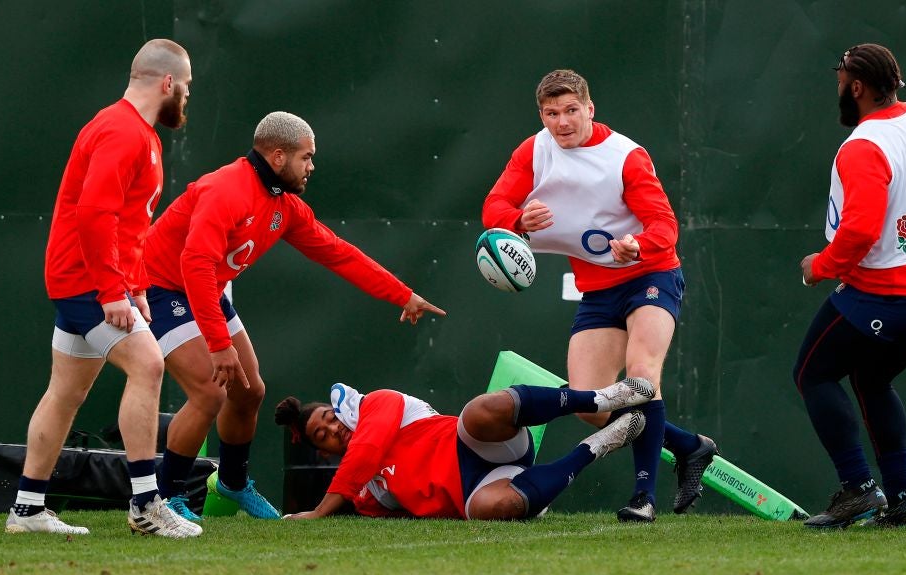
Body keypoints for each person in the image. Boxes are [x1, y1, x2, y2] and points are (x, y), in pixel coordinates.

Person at [145, 111, 446, 522]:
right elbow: (194, 263)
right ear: (278, 155)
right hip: (160, 287)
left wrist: (403, 295)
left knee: (249, 391)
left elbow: (338, 253)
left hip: (206, 287)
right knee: (210, 392)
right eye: (306, 157)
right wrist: (218, 345)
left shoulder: (282, 205)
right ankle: (164, 498)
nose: (312, 167)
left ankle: (232, 483)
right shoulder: (225, 189)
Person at [482, 69, 717, 522]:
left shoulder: (624, 156)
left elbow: (666, 227)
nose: (562, 122)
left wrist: (638, 245)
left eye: (571, 110)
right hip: (598, 291)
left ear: (590, 109)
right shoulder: (534, 150)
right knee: (591, 405)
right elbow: (493, 207)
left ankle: (644, 497)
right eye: (552, 113)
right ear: (541, 115)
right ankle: (689, 446)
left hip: (651, 274)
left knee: (642, 378)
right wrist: (517, 221)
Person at [4, 39, 202, 538]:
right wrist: (112, 290)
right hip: (84, 281)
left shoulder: (137, 133)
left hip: (89, 278)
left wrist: (133, 287)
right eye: (187, 87)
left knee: (66, 391)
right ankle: (145, 507)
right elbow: (95, 214)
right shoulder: (122, 132)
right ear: (167, 83)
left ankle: (26, 510)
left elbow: (127, 226)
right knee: (149, 364)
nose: (187, 97)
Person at [795, 43, 906, 529]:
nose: (839, 91)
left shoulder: (864, 144)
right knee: (873, 382)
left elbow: (861, 230)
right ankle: (904, 497)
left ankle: (858, 488)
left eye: (840, 83)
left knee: (813, 374)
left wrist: (820, 265)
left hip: (881, 291)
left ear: (857, 87)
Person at [276, 377, 655, 520]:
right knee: (497, 508)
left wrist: (319, 512)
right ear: (322, 453)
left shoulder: (377, 402)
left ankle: (599, 398)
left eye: (328, 417)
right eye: (321, 435)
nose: (331, 428)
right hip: (476, 490)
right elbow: (398, 510)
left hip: (482, 444)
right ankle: (598, 445)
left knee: (476, 411)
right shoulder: (363, 493)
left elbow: (368, 448)